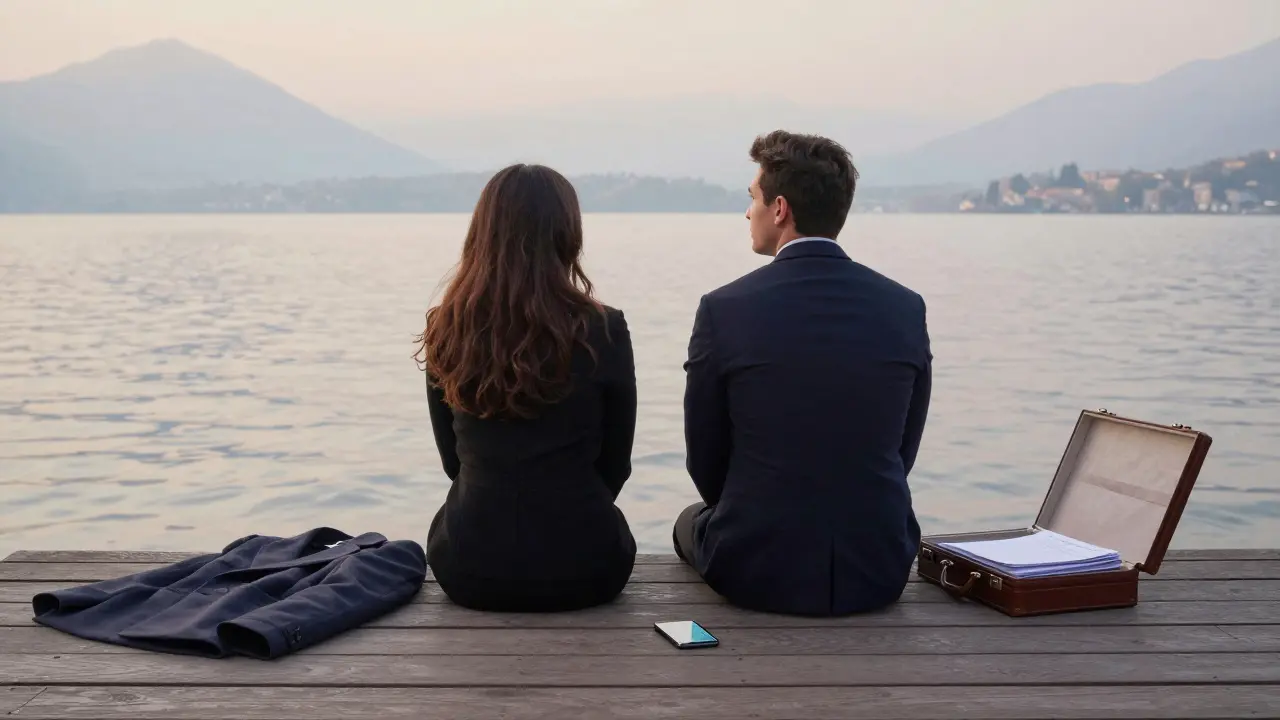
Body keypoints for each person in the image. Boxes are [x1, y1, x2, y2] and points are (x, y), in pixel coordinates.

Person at [673, 130, 932, 616]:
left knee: (689, 522)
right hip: (877, 569)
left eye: (752, 199)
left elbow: (704, 460)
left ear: (779, 209)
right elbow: (902, 450)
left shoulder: (724, 309)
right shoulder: (904, 307)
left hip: (757, 571)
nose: (747, 212)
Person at [417, 164, 638, 612]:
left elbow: (451, 460)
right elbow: (616, 463)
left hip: (468, 567)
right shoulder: (604, 328)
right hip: (589, 568)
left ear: (481, 233)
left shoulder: (448, 325)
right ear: (567, 232)